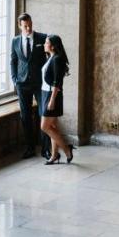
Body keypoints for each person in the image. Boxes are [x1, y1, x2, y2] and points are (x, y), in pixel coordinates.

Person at [9, 13, 47, 159]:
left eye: (30, 24)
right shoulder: (15, 41)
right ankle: (30, 147)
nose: (29, 28)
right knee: (25, 117)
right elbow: (13, 61)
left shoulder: (42, 38)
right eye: (25, 26)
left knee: (43, 114)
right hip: (22, 84)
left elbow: (49, 58)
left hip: (39, 83)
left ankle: (45, 149)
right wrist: (14, 80)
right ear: (20, 26)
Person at [39, 35, 74, 165]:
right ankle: (54, 155)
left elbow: (57, 82)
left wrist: (52, 100)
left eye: (46, 43)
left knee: (44, 126)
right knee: (52, 126)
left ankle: (66, 149)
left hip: (52, 95)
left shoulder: (57, 59)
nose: (44, 44)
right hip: (45, 93)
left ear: (52, 46)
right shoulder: (51, 57)